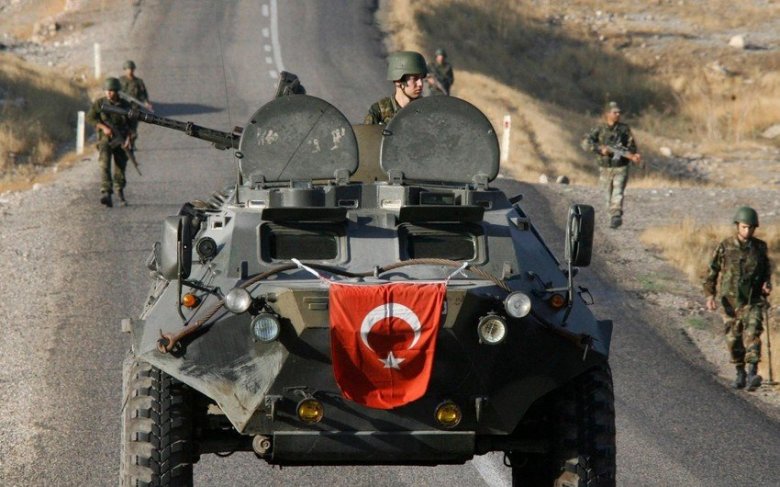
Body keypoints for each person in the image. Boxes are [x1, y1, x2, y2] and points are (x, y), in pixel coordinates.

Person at [703, 206, 773, 391]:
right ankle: (740, 372)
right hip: (730, 302)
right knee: (733, 340)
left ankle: (752, 373)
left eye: (751, 228)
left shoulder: (760, 247)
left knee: (753, 334)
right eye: (744, 227)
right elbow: (712, 272)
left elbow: (766, 270)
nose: (747, 231)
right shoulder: (725, 246)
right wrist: (710, 295)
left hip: (752, 300)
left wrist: (767, 284)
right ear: (737, 226)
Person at [581, 101, 642, 229]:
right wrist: (599, 149)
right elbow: (586, 143)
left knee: (618, 191)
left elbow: (631, 146)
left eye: (619, 112)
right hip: (605, 167)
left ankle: (616, 214)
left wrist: (632, 155)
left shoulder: (624, 129)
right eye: (615, 112)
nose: (618, 114)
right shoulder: (599, 129)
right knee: (606, 194)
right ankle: (612, 217)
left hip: (621, 166)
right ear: (607, 114)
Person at [86, 77, 133, 207]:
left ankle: (120, 191)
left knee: (120, 166)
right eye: (107, 91)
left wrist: (129, 139)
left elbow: (132, 124)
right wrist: (103, 127)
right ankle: (106, 192)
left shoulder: (125, 105)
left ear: (117, 91)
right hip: (105, 140)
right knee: (104, 165)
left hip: (121, 139)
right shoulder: (100, 103)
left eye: (111, 91)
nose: (108, 93)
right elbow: (90, 117)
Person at [365, 51, 427, 125]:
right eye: (415, 78)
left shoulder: (426, 110)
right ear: (398, 81)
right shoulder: (379, 112)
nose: (420, 83)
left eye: (421, 78)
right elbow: (366, 131)